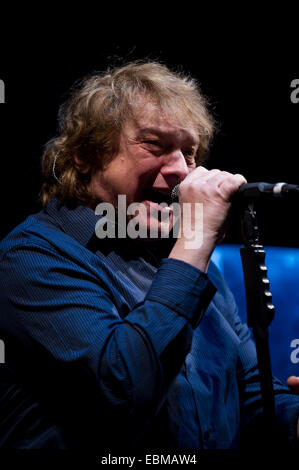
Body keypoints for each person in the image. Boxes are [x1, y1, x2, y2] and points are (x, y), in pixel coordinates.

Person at [0, 60, 298, 451]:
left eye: (189, 153)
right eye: (154, 145)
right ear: (85, 156)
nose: (180, 171)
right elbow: (124, 388)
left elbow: (248, 392)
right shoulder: (30, 257)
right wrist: (195, 237)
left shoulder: (190, 259)